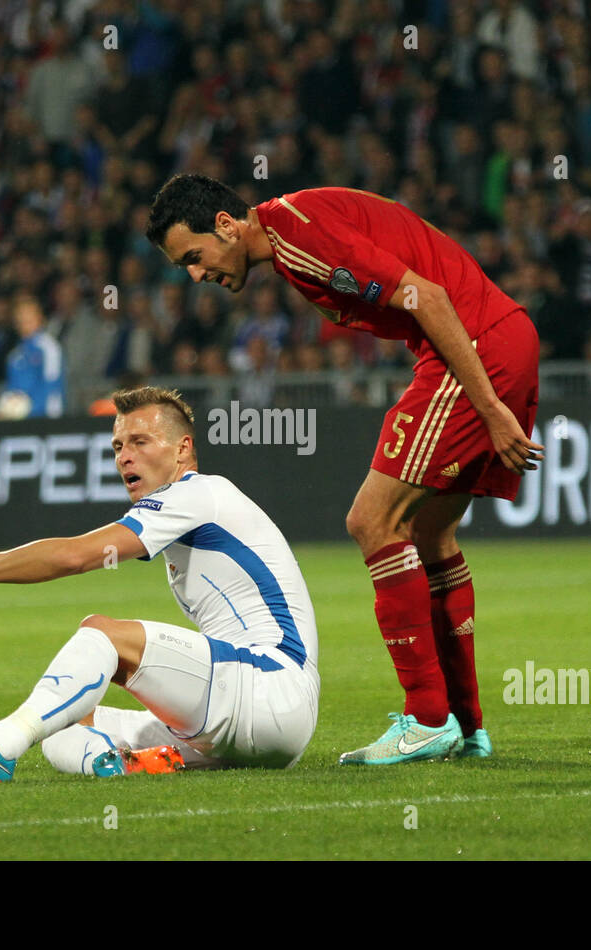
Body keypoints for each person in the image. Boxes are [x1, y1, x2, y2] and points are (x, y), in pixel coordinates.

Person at [146, 174, 542, 765]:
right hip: (499, 336)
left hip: (475, 348)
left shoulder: (299, 238)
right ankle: (465, 722)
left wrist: (489, 407)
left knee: (371, 520)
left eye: (194, 258)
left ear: (226, 225)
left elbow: (428, 298)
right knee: (431, 535)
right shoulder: (295, 224)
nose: (196, 276)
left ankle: (428, 718)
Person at [0, 386, 320, 780]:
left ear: (183, 449)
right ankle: (126, 765)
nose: (125, 458)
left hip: (270, 685)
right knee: (64, 721)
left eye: (140, 442)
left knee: (100, 633)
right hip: (263, 721)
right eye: (118, 447)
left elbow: (74, 555)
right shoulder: (193, 509)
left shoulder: (197, 493)